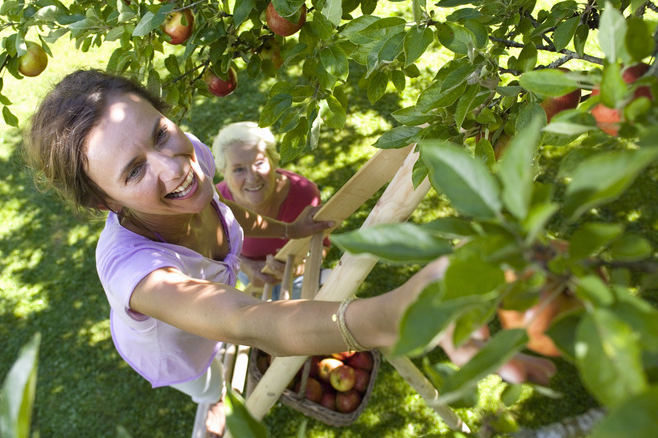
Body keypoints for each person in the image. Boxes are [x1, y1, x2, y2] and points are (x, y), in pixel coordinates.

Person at [22, 69, 450, 438]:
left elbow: (228, 214)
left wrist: (289, 229)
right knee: (208, 382)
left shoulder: (193, 160)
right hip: (176, 347)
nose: (174, 167)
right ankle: (212, 400)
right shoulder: (138, 274)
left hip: (212, 304)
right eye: (134, 170)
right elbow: (251, 323)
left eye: (160, 132)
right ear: (104, 202)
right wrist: (397, 314)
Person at [212, 122, 330, 299]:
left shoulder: (305, 194)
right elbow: (216, 248)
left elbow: (322, 244)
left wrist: (299, 268)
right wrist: (246, 267)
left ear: (273, 161)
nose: (252, 177)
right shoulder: (217, 202)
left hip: (298, 276)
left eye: (259, 163)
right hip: (248, 271)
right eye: (238, 169)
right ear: (224, 172)